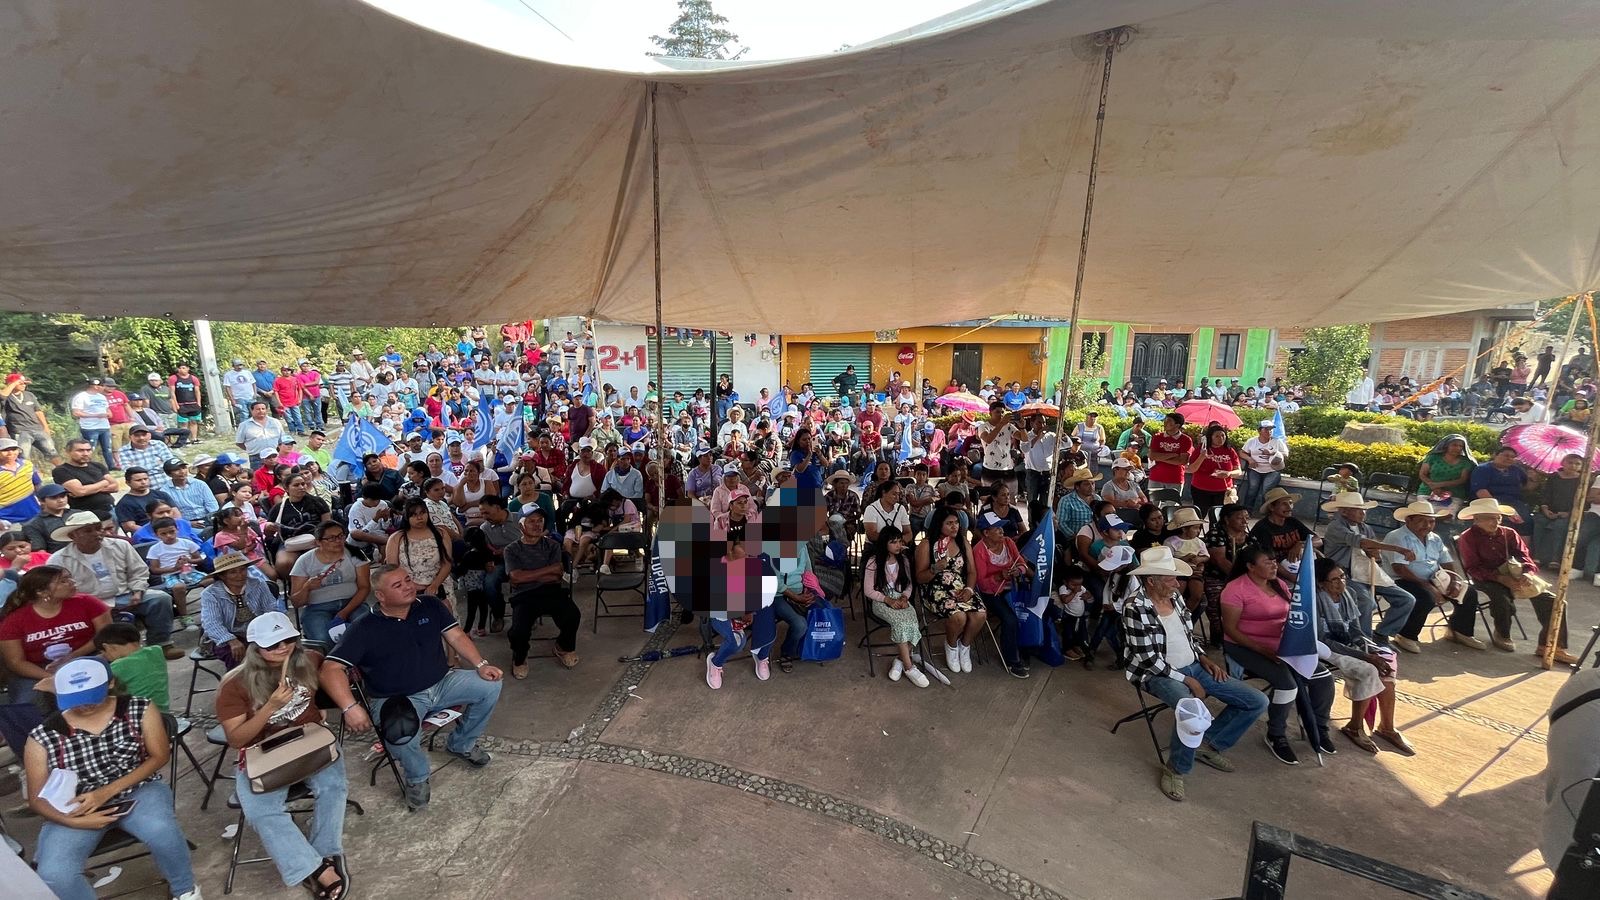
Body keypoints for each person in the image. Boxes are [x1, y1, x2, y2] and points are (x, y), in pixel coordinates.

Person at [322, 564, 502, 810]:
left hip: (443, 683)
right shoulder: (364, 627)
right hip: (398, 697)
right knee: (400, 732)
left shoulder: (430, 605)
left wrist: (480, 664)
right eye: (398, 585)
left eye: (408, 580)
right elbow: (330, 668)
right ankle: (417, 777)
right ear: (381, 596)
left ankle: (462, 744)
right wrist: (349, 707)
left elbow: (456, 635)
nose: (408, 586)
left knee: (490, 685)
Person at [24, 659, 200, 900]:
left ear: (110, 683)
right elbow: (36, 799)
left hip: (137, 788)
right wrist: (71, 821)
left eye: (91, 696)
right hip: (76, 806)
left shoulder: (138, 708)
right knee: (55, 874)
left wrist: (106, 792)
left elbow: (160, 756)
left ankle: (185, 890)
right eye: (75, 699)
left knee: (161, 831)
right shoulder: (43, 736)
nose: (84, 704)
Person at [212, 609, 352, 897]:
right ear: (255, 648)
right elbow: (237, 739)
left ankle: (324, 854)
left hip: (309, 740)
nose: (283, 647)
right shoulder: (234, 684)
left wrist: (327, 708)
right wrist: (270, 707)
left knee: (334, 786)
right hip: (262, 751)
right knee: (260, 810)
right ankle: (313, 868)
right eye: (273, 644)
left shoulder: (310, 659)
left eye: (288, 639)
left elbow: (335, 676)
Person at [1122, 546, 1267, 801]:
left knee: (1257, 701)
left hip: (1194, 665)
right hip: (1157, 674)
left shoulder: (1175, 598)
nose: (1177, 584)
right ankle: (1175, 769)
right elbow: (1149, 660)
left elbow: (1188, 637)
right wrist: (1187, 679)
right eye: (1170, 579)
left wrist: (1203, 658)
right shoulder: (1135, 606)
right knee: (1191, 710)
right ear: (1151, 581)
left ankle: (1208, 744)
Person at [1219, 545, 1338, 766]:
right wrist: (1263, 650)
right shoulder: (1235, 590)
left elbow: (1293, 615)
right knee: (1287, 685)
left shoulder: (1279, 584)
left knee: (1323, 678)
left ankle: (1318, 725)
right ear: (1251, 567)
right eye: (1268, 562)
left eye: (1274, 561)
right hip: (1246, 646)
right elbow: (1231, 629)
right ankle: (1276, 734)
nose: (1274, 565)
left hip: (1283, 645)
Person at [1454, 497, 1577, 665]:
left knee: (1555, 601)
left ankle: (1550, 645)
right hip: (1486, 577)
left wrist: (1527, 573)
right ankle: (1502, 633)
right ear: (1476, 519)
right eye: (1490, 518)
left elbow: (1524, 556)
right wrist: (1500, 578)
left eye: (1498, 517)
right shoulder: (1468, 537)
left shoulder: (1509, 533)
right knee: (1502, 597)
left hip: (1514, 573)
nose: (1495, 522)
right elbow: (1473, 568)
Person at [1313, 559, 1414, 756]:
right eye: (1334, 580)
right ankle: (1354, 726)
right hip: (1325, 648)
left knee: (1387, 661)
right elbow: (1323, 639)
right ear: (1321, 583)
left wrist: (1369, 649)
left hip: (1347, 644)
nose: (1341, 583)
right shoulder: (1315, 600)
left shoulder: (1348, 594)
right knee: (1368, 670)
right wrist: (1364, 656)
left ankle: (1387, 727)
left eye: (1342, 577)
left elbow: (1355, 630)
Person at [46, 511, 180, 659]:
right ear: (73, 536)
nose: (97, 533)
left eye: (98, 528)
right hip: (88, 605)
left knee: (160, 598)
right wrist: (96, 607)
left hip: (125, 594)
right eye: (88, 530)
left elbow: (139, 571)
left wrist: (138, 591)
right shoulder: (59, 559)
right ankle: (110, 655)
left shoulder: (120, 545)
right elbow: (59, 591)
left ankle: (161, 644)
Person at [1320, 491, 1421, 652]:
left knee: (1407, 599)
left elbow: (1374, 552)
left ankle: (1382, 634)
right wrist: (1399, 549)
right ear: (1344, 511)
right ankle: (1364, 641)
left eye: (1364, 509)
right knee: (1367, 602)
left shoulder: (1365, 528)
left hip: (1368, 571)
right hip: (1345, 575)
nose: (1363, 513)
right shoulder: (1335, 526)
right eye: (1358, 509)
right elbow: (1362, 542)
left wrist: (1376, 555)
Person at [1383, 501, 1487, 651]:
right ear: (1408, 520)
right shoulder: (1397, 537)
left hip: (1434, 578)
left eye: (1431, 521)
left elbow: (1446, 561)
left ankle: (1460, 631)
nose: (1427, 525)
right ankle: (1406, 635)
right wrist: (1427, 586)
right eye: (1422, 521)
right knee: (1426, 597)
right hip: (1402, 580)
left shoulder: (1434, 538)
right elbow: (1399, 569)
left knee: (1468, 593)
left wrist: (1453, 580)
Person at [0, 565, 111, 701]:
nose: (72, 582)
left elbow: (105, 635)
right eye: (63, 581)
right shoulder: (14, 620)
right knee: (31, 701)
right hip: (37, 668)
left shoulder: (88, 602)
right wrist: (53, 677)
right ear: (41, 592)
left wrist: (73, 656)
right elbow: (16, 662)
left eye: (70, 578)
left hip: (88, 657)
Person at [502, 508, 579, 677]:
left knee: (572, 615)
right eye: (531, 521)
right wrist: (548, 570)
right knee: (518, 631)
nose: (537, 525)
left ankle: (563, 646)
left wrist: (526, 576)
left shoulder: (552, 545)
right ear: (521, 526)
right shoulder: (511, 549)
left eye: (540, 521)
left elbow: (557, 575)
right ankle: (519, 658)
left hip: (552, 590)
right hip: (524, 595)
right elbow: (515, 577)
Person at [916, 505, 984, 675]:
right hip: (935, 590)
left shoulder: (963, 542)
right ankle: (951, 645)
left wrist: (969, 589)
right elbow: (920, 578)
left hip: (960, 587)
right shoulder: (927, 544)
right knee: (959, 617)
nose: (955, 527)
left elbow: (972, 571)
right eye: (949, 523)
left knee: (980, 614)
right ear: (939, 524)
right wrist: (934, 569)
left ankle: (965, 645)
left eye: (956, 523)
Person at [862, 525, 928, 687]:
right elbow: (868, 590)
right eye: (893, 542)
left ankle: (900, 659)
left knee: (913, 621)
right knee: (900, 623)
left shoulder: (904, 560)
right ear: (884, 544)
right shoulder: (874, 562)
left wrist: (905, 597)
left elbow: (909, 584)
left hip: (901, 598)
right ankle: (909, 667)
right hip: (881, 601)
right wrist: (888, 600)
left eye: (900, 541)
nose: (898, 545)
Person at [290, 521, 372, 650]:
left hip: (353, 602)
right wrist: (307, 587)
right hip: (318, 607)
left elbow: (364, 587)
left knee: (365, 631)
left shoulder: (355, 554)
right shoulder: (304, 561)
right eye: (331, 538)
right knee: (322, 639)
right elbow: (296, 602)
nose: (338, 541)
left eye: (341, 536)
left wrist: (344, 612)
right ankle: (333, 662)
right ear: (318, 542)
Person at [199, 550, 285, 668]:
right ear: (222, 576)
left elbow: (271, 610)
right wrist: (231, 640)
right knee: (237, 655)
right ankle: (240, 679)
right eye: (233, 572)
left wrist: (271, 632)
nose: (240, 575)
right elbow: (211, 623)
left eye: (243, 570)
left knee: (279, 649)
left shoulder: (258, 584)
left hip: (259, 632)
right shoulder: (210, 594)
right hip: (226, 636)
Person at [972, 511, 1032, 679]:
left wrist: (1018, 571)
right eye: (997, 528)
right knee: (1010, 619)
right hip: (992, 594)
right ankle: (1012, 660)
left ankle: (1027, 648)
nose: (1002, 531)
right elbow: (982, 583)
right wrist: (999, 576)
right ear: (986, 532)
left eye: (1001, 527)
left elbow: (1022, 563)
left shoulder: (1008, 542)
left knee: (1031, 611)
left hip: (1013, 589)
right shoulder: (979, 550)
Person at [97, 621, 172, 711]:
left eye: (103, 653)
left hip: (140, 715)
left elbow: (99, 690)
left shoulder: (119, 666)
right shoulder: (157, 651)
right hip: (164, 711)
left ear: (108, 647)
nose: (104, 657)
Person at [1248, 487, 1313, 579]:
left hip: (1295, 563)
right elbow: (1267, 559)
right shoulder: (1262, 528)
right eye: (1284, 504)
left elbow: (1318, 540)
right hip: (1276, 571)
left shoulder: (1292, 521)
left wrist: (1301, 544)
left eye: (1290, 503)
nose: (1289, 507)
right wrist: (1292, 578)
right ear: (1271, 507)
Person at [1534, 452, 1585, 566]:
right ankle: (1536, 555)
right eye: (1570, 462)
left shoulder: (1582, 481)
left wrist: (1569, 513)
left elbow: (1583, 501)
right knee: (1539, 522)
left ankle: (1555, 558)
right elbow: (1545, 495)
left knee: (1560, 526)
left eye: (1577, 464)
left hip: (1569, 513)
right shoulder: (1554, 477)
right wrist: (1545, 509)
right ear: (1563, 463)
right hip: (1549, 511)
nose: (1573, 466)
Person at [51, 437, 118, 521]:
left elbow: (115, 487)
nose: (85, 453)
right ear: (68, 452)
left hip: (110, 510)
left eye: (88, 450)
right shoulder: (61, 471)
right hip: (85, 514)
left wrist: (88, 489)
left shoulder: (98, 466)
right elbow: (80, 491)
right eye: (80, 450)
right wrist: (104, 483)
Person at [1469, 446, 1530, 532]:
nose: (1509, 458)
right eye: (1506, 455)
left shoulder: (1516, 470)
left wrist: (1536, 479)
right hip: (1490, 502)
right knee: (1503, 522)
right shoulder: (1483, 469)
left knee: (1526, 522)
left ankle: (1520, 541)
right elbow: (1481, 491)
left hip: (1514, 502)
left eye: (1512, 457)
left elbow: (1527, 486)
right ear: (1495, 455)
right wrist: (1501, 509)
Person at [2, 371, 57, 463]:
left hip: (37, 429)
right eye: (21, 383)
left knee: (52, 453)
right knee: (23, 457)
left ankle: (64, 471)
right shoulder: (6, 396)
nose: (24, 385)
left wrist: (46, 427)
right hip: (19, 431)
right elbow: (2, 396)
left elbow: (38, 411)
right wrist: (14, 383)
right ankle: (27, 472)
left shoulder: (29, 395)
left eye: (24, 383)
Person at [1186, 424, 1241, 516]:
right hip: (1201, 489)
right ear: (1210, 437)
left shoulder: (1230, 450)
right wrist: (1202, 457)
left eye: (1223, 435)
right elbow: (1191, 469)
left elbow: (1238, 471)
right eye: (1217, 436)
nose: (1221, 438)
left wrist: (1228, 473)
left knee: (1219, 516)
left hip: (1223, 490)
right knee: (1200, 514)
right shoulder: (1201, 450)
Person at [1239, 420, 1287, 513]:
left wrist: (1272, 452)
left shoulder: (1277, 441)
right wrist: (1249, 459)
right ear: (1259, 431)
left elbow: (1285, 454)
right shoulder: (1252, 441)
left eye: (1271, 429)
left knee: (1266, 491)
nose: (1269, 431)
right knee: (1252, 489)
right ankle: (1247, 511)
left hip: (1272, 470)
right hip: (1255, 469)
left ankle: (1266, 512)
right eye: (1266, 429)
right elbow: (1242, 452)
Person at [1417, 434, 1475, 509]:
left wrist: (1439, 485)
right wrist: (1433, 486)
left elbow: (1462, 479)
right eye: (1454, 445)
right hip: (1428, 491)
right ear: (1446, 445)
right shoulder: (1433, 458)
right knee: (1425, 512)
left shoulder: (1466, 462)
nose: (1458, 448)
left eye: (1460, 446)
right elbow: (1422, 474)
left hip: (1454, 494)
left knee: (1446, 514)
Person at [69, 377, 114, 469]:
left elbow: (107, 409)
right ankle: (88, 466)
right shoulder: (81, 397)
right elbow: (76, 413)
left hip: (104, 426)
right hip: (90, 427)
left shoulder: (102, 397)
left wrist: (108, 414)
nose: (103, 388)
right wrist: (95, 415)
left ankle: (111, 466)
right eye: (102, 386)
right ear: (96, 386)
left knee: (107, 448)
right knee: (90, 448)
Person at [1146, 413, 1191, 496]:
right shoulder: (1157, 437)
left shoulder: (1186, 440)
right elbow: (1152, 456)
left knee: (1172, 503)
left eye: (1169, 421)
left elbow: (1182, 461)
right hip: (1155, 477)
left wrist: (1159, 457)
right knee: (1154, 503)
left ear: (1177, 425)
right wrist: (1173, 455)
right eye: (1165, 420)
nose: (1165, 423)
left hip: (1175, 478)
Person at [236, 400, 288, 468]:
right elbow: (239, 442)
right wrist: (251, 449)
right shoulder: (244, 425)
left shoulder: (275, 422)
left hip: (274, 456)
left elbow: (282, 439)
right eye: (258, 409)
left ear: (266, 410)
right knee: (258, 474)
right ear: (252, 411)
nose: (261, 411)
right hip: (256, 457)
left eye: (263, 409)